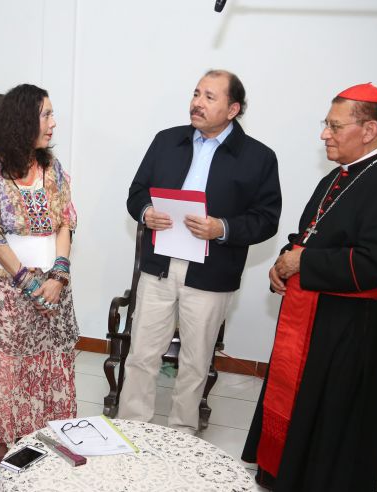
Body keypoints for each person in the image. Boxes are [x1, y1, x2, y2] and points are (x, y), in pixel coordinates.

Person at [242, 83, 377, 492]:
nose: (325, 134)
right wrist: (285, 260)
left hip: (348, 324)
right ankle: (281, 472)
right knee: (301, 400)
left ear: (370, 129)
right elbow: (310, 235)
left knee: (330, 407)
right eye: (327, 124)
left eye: (335, 126)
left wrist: (304, 260)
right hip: (313, 311)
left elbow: (375, 264)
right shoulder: (339, 176)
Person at [119, 70, 282, 434]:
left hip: (211, 272)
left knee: (195, 362)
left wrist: (222, 228)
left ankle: (181, 434)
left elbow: (266, 219)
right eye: (196, 93)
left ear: (232, 108)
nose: (197, 102)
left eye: (210, 97)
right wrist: (146, 212)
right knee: (142, 353)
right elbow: (136, 192)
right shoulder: (166, 141)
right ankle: (131, 427)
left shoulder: (258, 157)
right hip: (160, 265)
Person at [0, 84, 79, 476]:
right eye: (46, 115)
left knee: (50, 364)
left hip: (53, 287)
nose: (53, 123)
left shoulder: (53, 169)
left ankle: (45, 437)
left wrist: (59, 275)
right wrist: (26, 283)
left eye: (51, 114)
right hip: (6, 287)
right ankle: (4, 443)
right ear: (22, 119)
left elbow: (65, 222)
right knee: (8, 367)